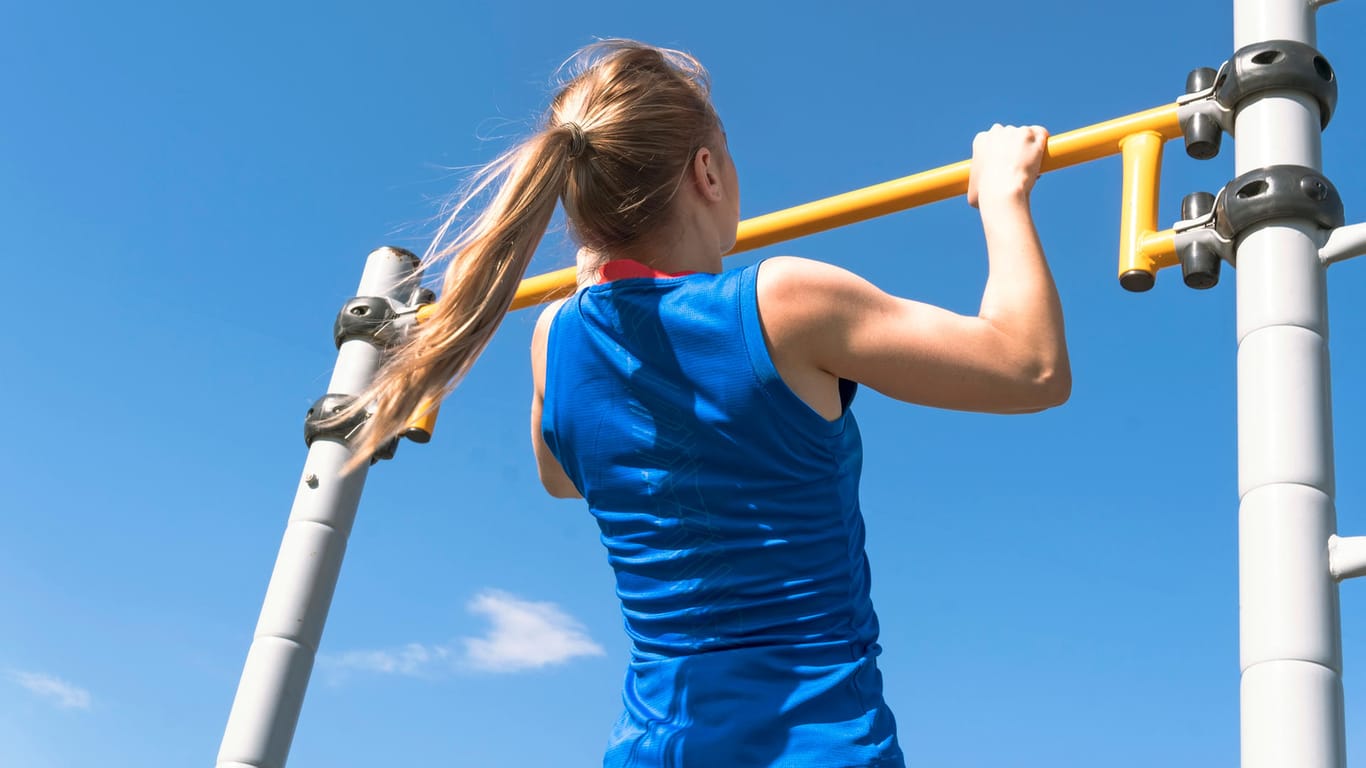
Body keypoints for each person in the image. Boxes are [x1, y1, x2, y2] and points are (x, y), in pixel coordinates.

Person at [349, 39, 1069, 768]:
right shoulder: (782, 301)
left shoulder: (556, 336)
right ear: (706, 171)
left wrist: (604, 300)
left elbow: (562, 477)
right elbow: (1032, 369)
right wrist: (1006, 193)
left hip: (652, 749)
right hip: (818, 748)